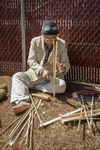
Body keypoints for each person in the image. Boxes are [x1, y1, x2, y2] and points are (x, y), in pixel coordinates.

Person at [11, 19, 70, 114]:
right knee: (17, 76)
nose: (49, 41)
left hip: (52, 77)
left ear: (57, 36)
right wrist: (41, 70)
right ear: (42, 35)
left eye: (52, 38)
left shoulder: (62, 44)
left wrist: (62, 68)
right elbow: (31, 60)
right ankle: (22, 101)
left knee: (62, 86)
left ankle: (36, 87)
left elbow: (66, 63)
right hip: (35, 74)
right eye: (46, 38)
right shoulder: (35, 41)